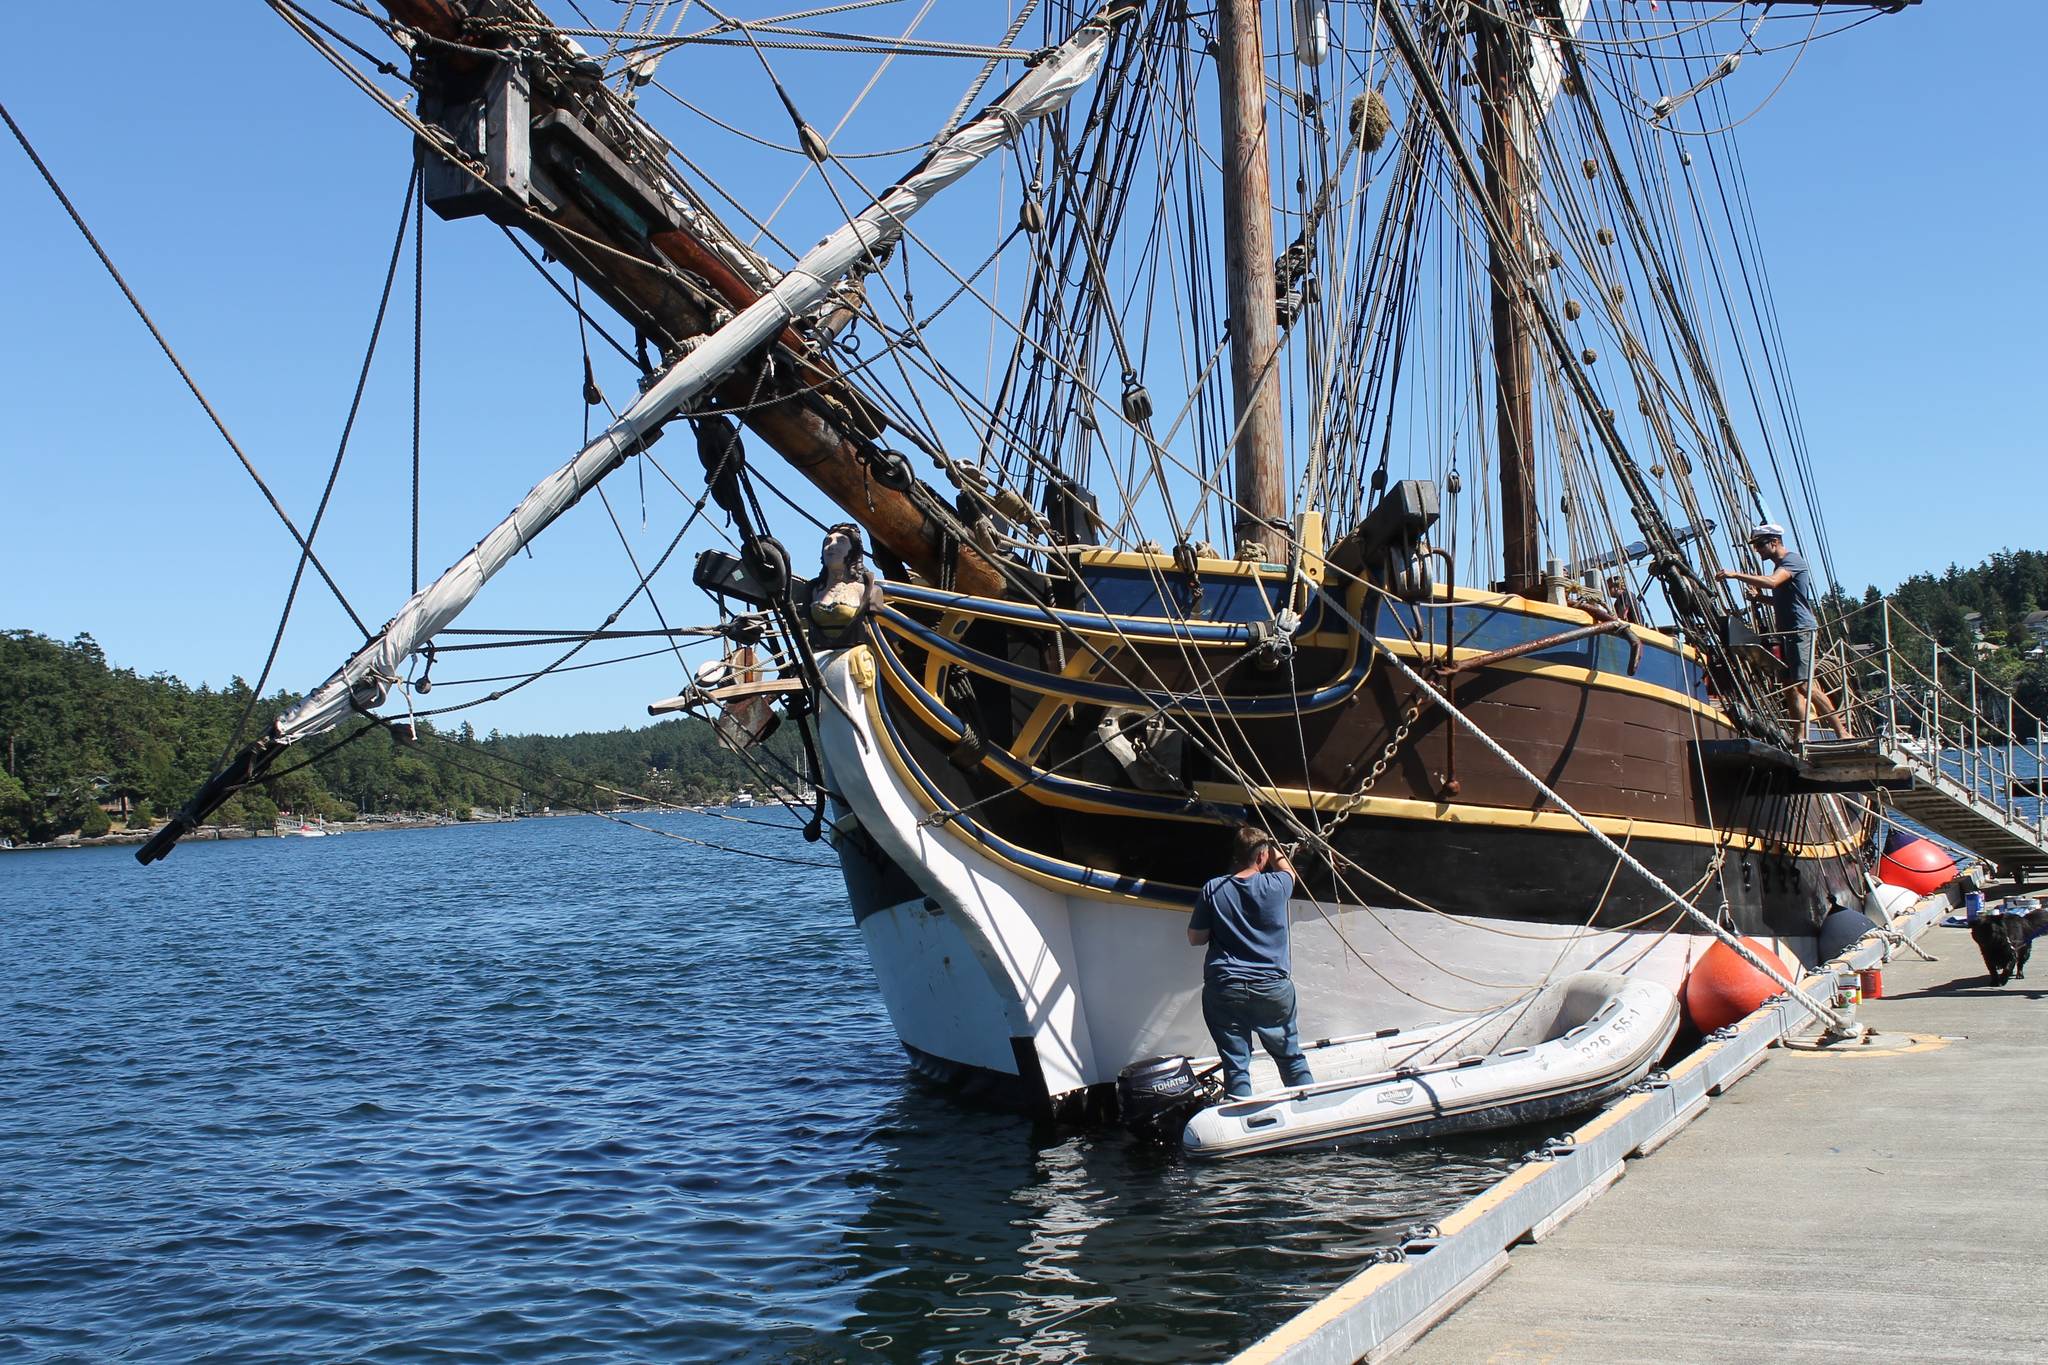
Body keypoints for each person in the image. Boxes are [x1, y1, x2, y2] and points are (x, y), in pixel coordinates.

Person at [1186, 824, 1314, 1098]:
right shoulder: (1277, 885)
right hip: (1271, 989)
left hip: (1225, 988)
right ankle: (1309, 1106)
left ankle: (1240, 1114)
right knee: (1290, 1057)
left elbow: (1195, 938)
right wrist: (1276, 850)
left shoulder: (1213, 888)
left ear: (1235, 855)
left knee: (1236, 1064)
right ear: (1261, 857)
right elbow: (1289, 872)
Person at [1718, 522, 1843, 734]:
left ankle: (1842, 730)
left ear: (1774, 542)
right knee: (1790, 688)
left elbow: (1773, 582)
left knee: (1804, 684)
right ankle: (1800, 736)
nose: (1757, 550)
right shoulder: (1781, 567)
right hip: (1787, 632)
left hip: (1801, 631)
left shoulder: (1791, 561)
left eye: (1759, 545)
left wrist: (1735, 575)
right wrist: (1760, 598)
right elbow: (1785, 601)